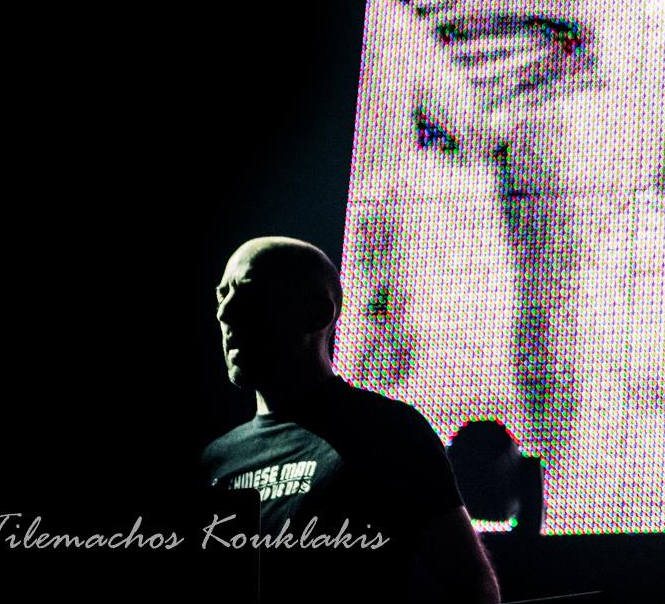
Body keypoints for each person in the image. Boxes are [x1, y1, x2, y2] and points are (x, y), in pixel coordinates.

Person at [202, 236, 501, 602]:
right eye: (222, 295)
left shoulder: (388, 432)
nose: (225, 313)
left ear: (317, 314)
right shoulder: (216, 460)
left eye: (251, 293)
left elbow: (471, 585)